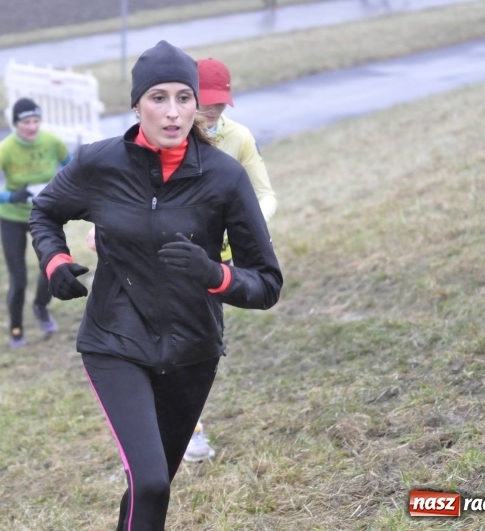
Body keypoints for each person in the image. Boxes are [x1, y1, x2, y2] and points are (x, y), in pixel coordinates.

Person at [29, 40, 282, 530]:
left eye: (184, 98)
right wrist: (55, 260)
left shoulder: (225, 177)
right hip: (115, 341)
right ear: (136, 104)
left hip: (193, 349)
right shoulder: (99, 165)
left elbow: (266, 283)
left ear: (197, 104)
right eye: (158, 98)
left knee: (152, 487)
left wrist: (214, 274)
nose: (173, 113)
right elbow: (44, 211)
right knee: (150, 482)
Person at [182, 57, 278, 463]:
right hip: (165, 259)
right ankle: (181, 431)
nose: (215, 111)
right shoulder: (166, 133)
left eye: (222, 103)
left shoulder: (237, 138)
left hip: (215, 266)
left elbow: (266, 195)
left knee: (201, 346)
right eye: (208, 101)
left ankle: (187, 428)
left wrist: (250, 227)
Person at [0, 97, 71, 348]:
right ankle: (16, 329)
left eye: (36, 121)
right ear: (16, 123)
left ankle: (41, 306)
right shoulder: (4, 149)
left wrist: (64, 192)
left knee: (51, 268)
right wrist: (10, 196)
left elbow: (74, 170)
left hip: (44, 215)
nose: (32, 127)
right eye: (26, 122)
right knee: (18, 280)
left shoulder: (52, 142)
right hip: (13, 218)